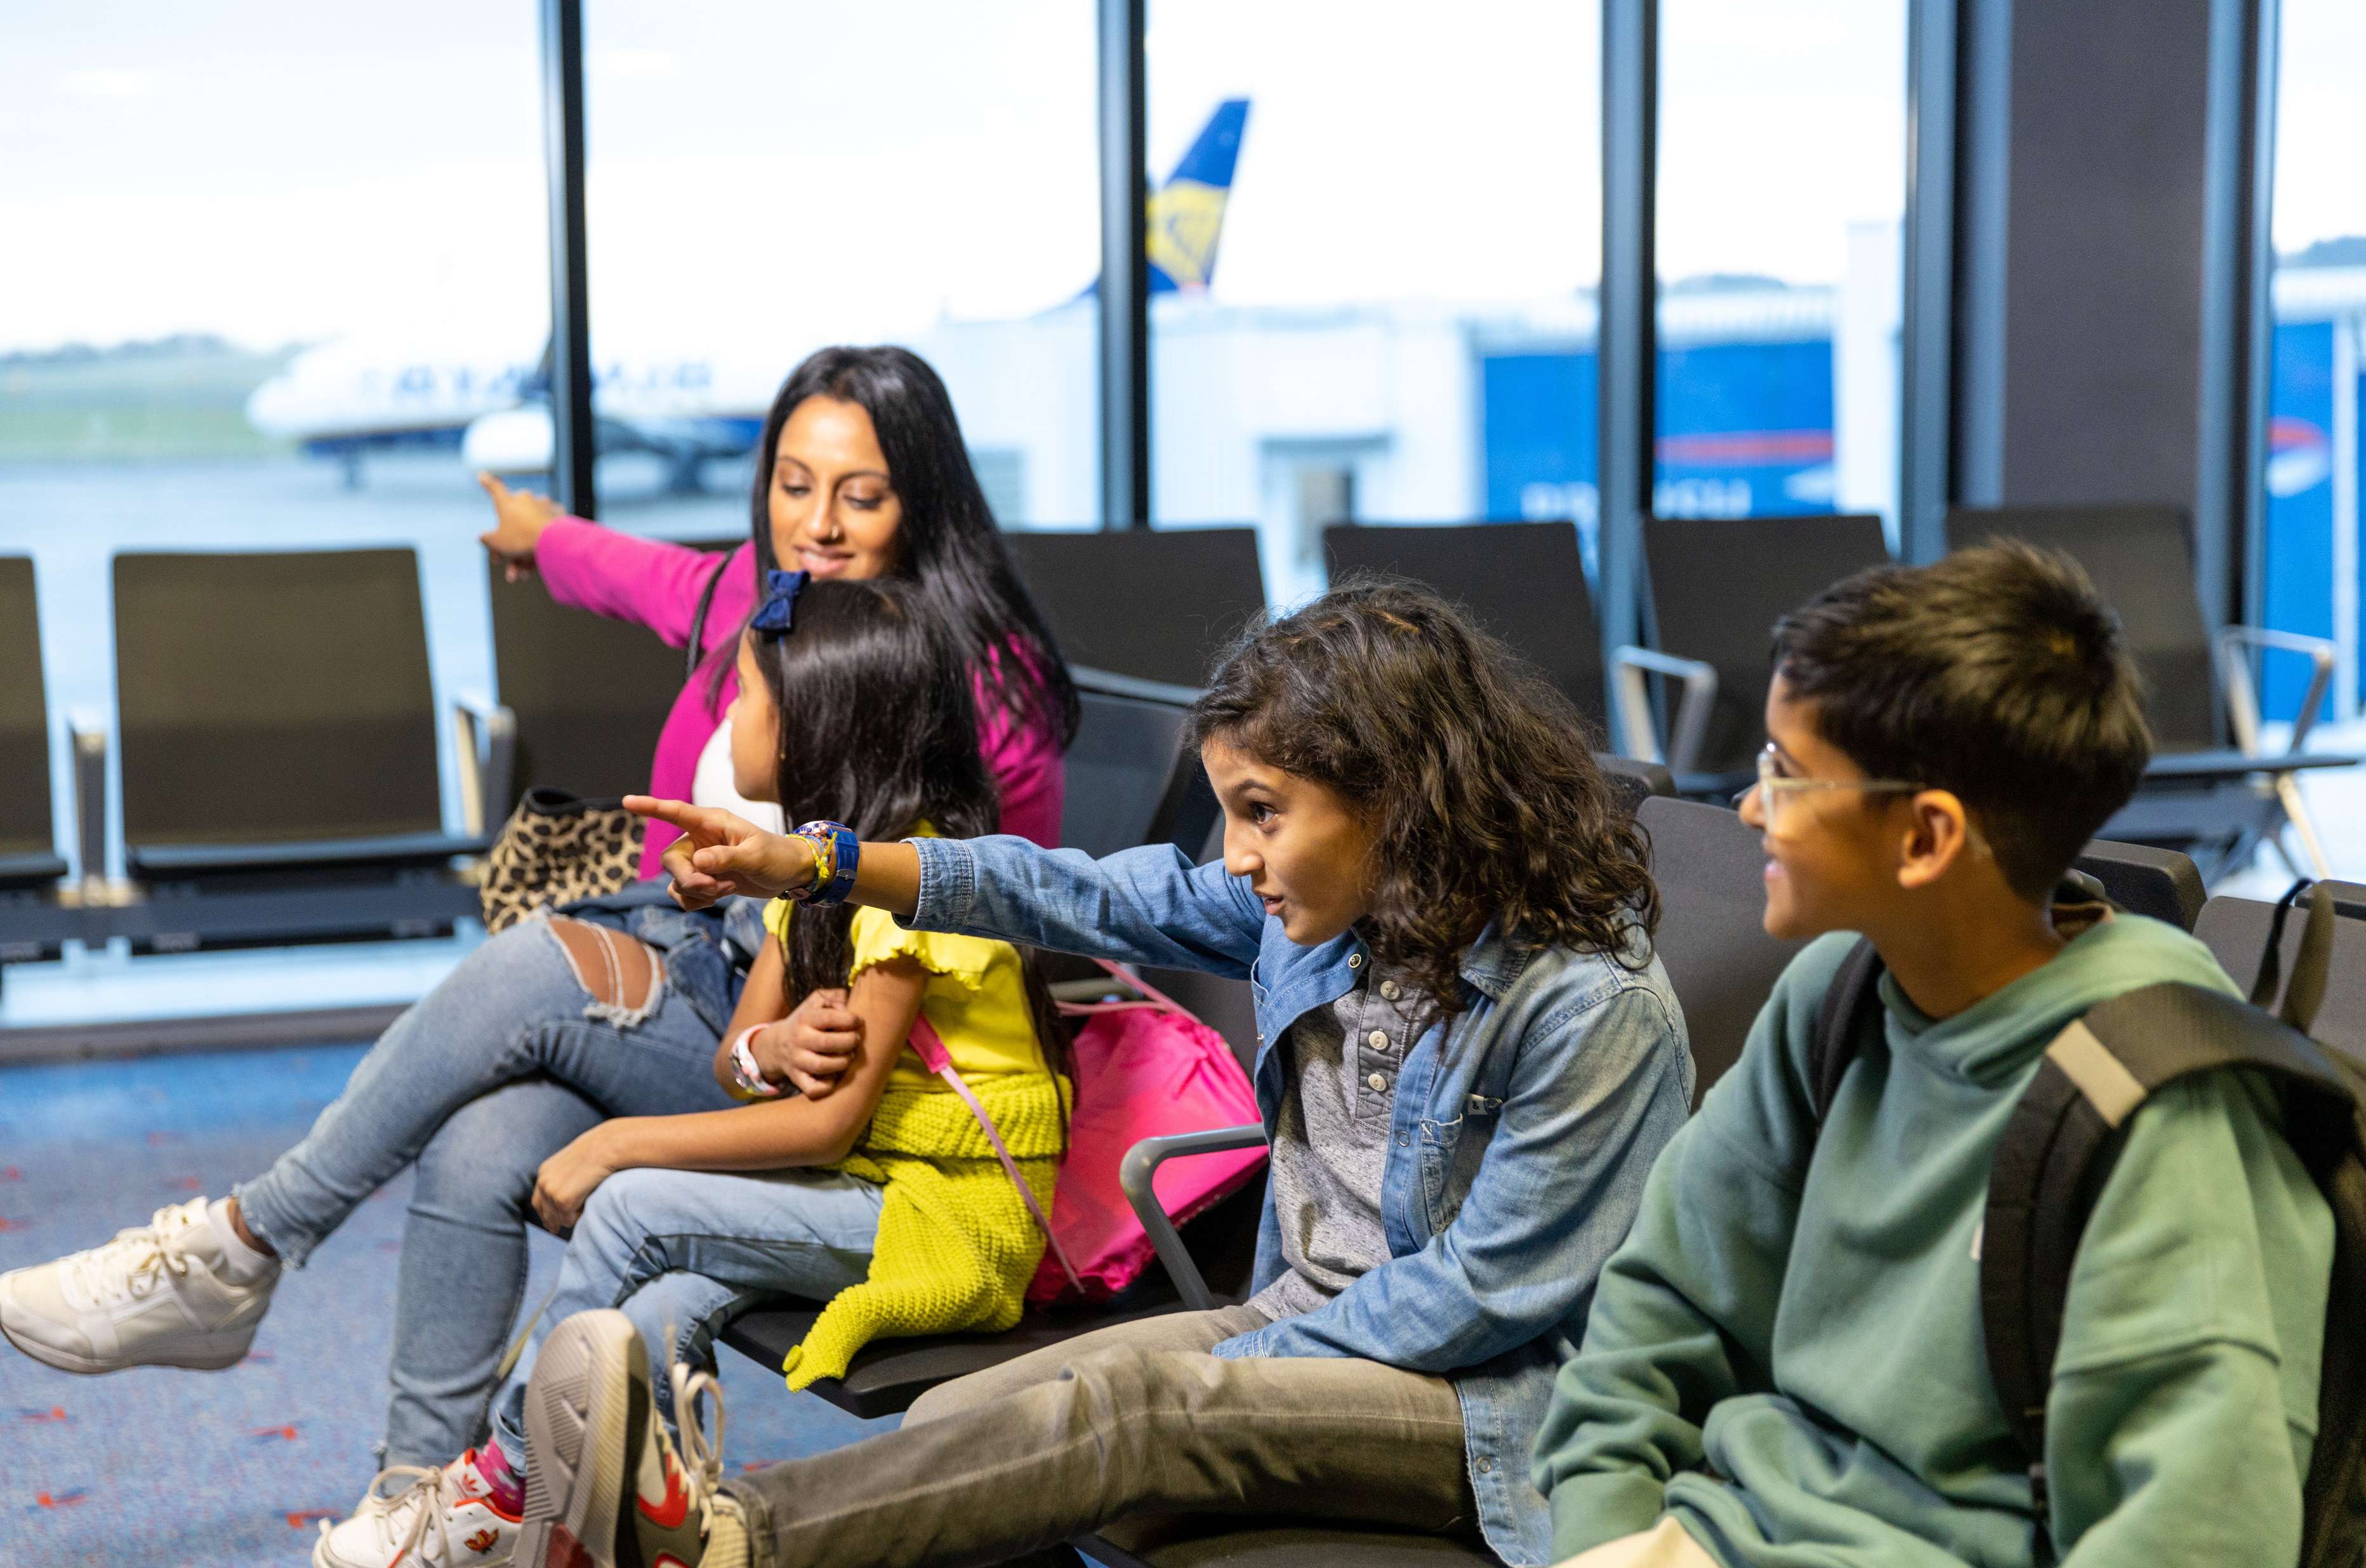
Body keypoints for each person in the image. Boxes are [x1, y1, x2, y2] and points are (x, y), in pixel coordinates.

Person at [0, 346, 1078, 1481]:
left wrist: (771, 895)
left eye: (861, 495)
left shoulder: (966, 679)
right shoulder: (760, 601)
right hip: (708, 986)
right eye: (793, 484)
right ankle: (421, 1495)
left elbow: (980, 900)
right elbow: (633, 570)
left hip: (838, 1052)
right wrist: (536, 532)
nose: (816, 524)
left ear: (925, 500)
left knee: (536, 965)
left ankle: (242, 1245)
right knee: (483, 1141)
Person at [525, 578, 1692, 1568]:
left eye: (1264, 814)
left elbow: (1479, 1298)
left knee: (1124, 1418)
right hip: (1296, 1323)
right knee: (959, 1422)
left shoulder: (1591, 1009)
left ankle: (724, 1542)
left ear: (1397, 795)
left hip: (1485, 1409)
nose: (1239, 857)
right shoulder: (1333, 909)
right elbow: (1069, 890)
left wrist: (1228, 1368)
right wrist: (818, 864)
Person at [1531, 542, 2335, 1568]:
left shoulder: (2164, 1102)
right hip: (1714, 1533)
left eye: (1787, 774)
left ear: (1925, 839)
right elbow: (1656, 1315)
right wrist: (1603, 1534)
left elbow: (2203, 1529)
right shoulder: (1838, 995)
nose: (1751, 807)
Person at [308, 576, 1073, 1568]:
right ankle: (625, 1541)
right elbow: (730, 1063)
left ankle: (504, 1492)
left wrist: (617, 1144)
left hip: (950, 1220)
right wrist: (770, 1049)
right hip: (865, 1190)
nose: (728, 719)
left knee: (631, 1207)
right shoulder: (815, 866)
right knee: (654, 1316)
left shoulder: (906, 887)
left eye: (747, 697)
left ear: (811, 731)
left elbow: (825, 1126)